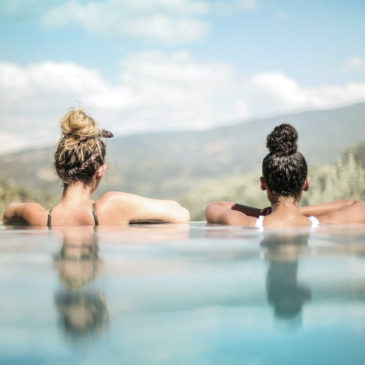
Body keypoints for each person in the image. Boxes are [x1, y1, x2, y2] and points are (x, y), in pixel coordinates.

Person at [3, 109, 190, 226]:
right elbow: (181, 214)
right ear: (100, 170)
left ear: (59, 168)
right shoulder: (113, 205)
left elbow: (9, 211)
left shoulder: (37, 216)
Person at [205, 123, 365, 228]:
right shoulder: (323, 224)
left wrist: (264, 212)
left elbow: (215, 206)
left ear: (263, 184)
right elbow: (356, 204)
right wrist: (298, 211)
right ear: (306, 183)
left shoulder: (249, 224)